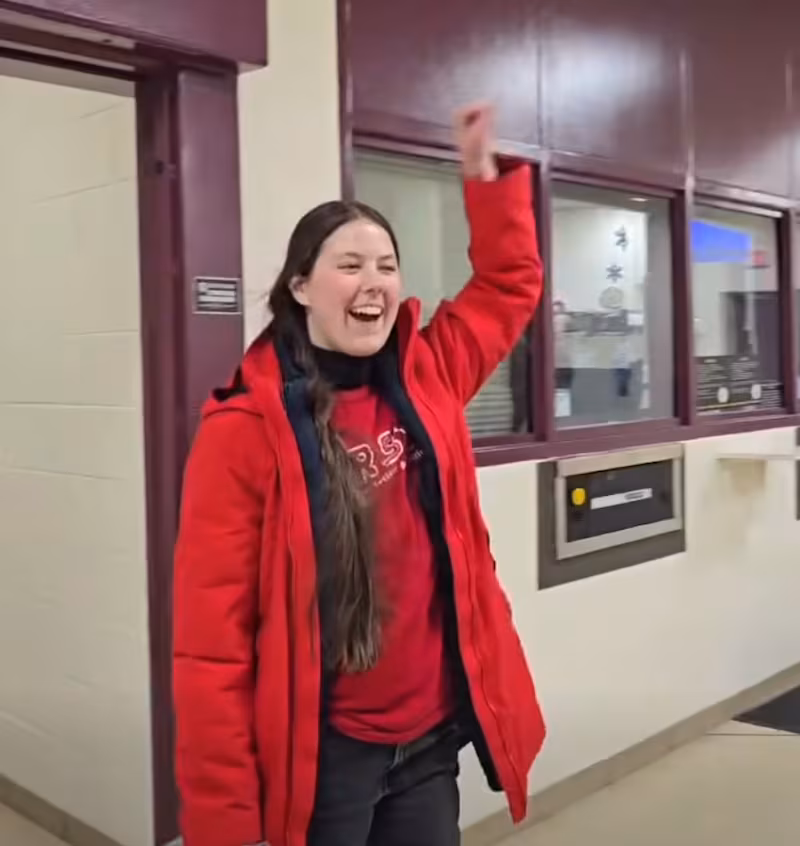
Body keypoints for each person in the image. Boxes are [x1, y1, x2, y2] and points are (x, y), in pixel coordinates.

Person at [173, 103, 546, 846]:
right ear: (302, 287)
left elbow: (509, 283)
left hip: (430, 742)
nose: (373, 282)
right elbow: (210, 649)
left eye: (386, 265)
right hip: (324, 761)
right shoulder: (244, 432)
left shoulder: (429, 373)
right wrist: (225, 823)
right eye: (349, 265)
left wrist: (483, 174)